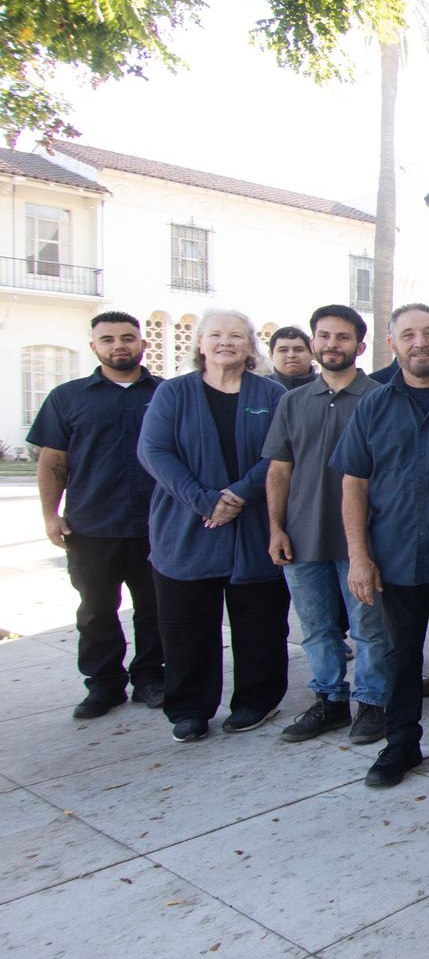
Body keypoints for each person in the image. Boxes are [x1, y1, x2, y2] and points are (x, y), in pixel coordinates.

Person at [333, 303, 429, 787]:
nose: (421, 342)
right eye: (409, 335)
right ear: (392, 343)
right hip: (393, 556)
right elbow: (353, 484)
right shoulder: (372, 406)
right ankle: (400, 741)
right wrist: (358, 556)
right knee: (398, 654)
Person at [135, 310, 291, 742]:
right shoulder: (172, 393)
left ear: (250, 345)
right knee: (186, 626)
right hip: (187, 527)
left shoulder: (272, 394)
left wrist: (239, 494)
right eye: (216, 335)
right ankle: (189, 708)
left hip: (255, 526)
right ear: (200, 344)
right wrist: (205, 500)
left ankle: (256, 700)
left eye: (237, 336)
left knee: (260, 623)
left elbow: (281, 454)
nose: (226, 342)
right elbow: (154, 451)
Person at [263, 305, 391, 744]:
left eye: (342, 337)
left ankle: (372, 702)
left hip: (363, 539)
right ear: (314, 342)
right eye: (324, 336)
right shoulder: (292, 402)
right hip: (303, 535)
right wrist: (276, 527)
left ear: (360, 344)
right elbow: (279, 470)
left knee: (369, 628)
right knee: (316, 627)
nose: (332, 344)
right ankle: (330, 701)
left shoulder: (380, 398)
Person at [30, 311, 165, 718]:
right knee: (95, 611)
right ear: (94, 347)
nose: (118, 345)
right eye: (107, 339)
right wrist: (50, 515)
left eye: (127, 337)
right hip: (92, 525)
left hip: (156, 524)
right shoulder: (67, 398)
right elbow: (53, 461)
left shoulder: (167, 393)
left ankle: (151, 678)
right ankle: (104, 685)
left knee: (156, 608)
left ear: (142, 343)